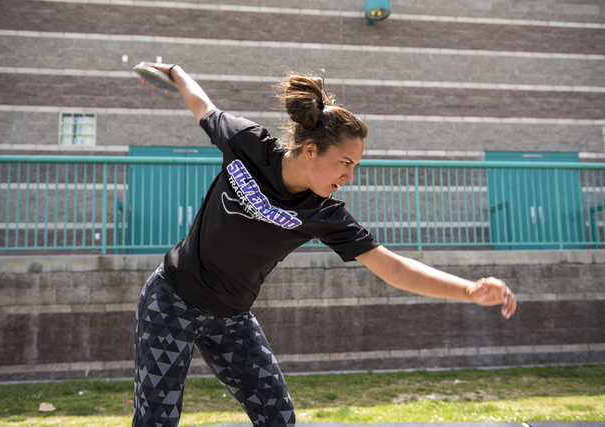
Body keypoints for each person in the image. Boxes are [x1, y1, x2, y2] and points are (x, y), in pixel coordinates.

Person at [132, 62, 517, 427]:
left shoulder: (324, 213)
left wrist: (469, 289)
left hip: (231, 315)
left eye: (355, 167)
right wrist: (177, 74)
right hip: (172, 299)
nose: (349, 176)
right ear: (312, 148)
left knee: (278, 418)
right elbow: (205, 108)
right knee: (157, 420)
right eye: (344, 163)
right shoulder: (247, 144)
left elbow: (393, 268)